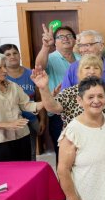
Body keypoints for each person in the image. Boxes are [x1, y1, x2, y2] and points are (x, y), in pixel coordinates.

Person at [34, 24, 79, 156]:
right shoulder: (50, 58)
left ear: (75, 40)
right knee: (64, 154)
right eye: (60, 37)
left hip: (81, 110)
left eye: (69, 36)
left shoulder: (81, 58)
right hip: (59, 112)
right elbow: (39, 66)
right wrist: (45, 47)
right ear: (55, 42)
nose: (65, 38)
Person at [37, 55, 105, 129]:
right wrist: (44, 88)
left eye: (96, 68)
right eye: (87, 68)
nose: (92, 71)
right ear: (80, 72)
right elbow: (53, 108)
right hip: (76, 141)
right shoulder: (69, 92)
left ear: (101, 72)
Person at [0, 44, 46, 161]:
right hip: (11, 122)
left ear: (19, 55)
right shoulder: (0, 77)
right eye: (8, 54)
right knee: (14, 154)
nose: (12, 56)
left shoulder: (32, 74)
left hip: (32, 119)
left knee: (31, 153)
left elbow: (39, 99)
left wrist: (43, 120)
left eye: (15, 53)